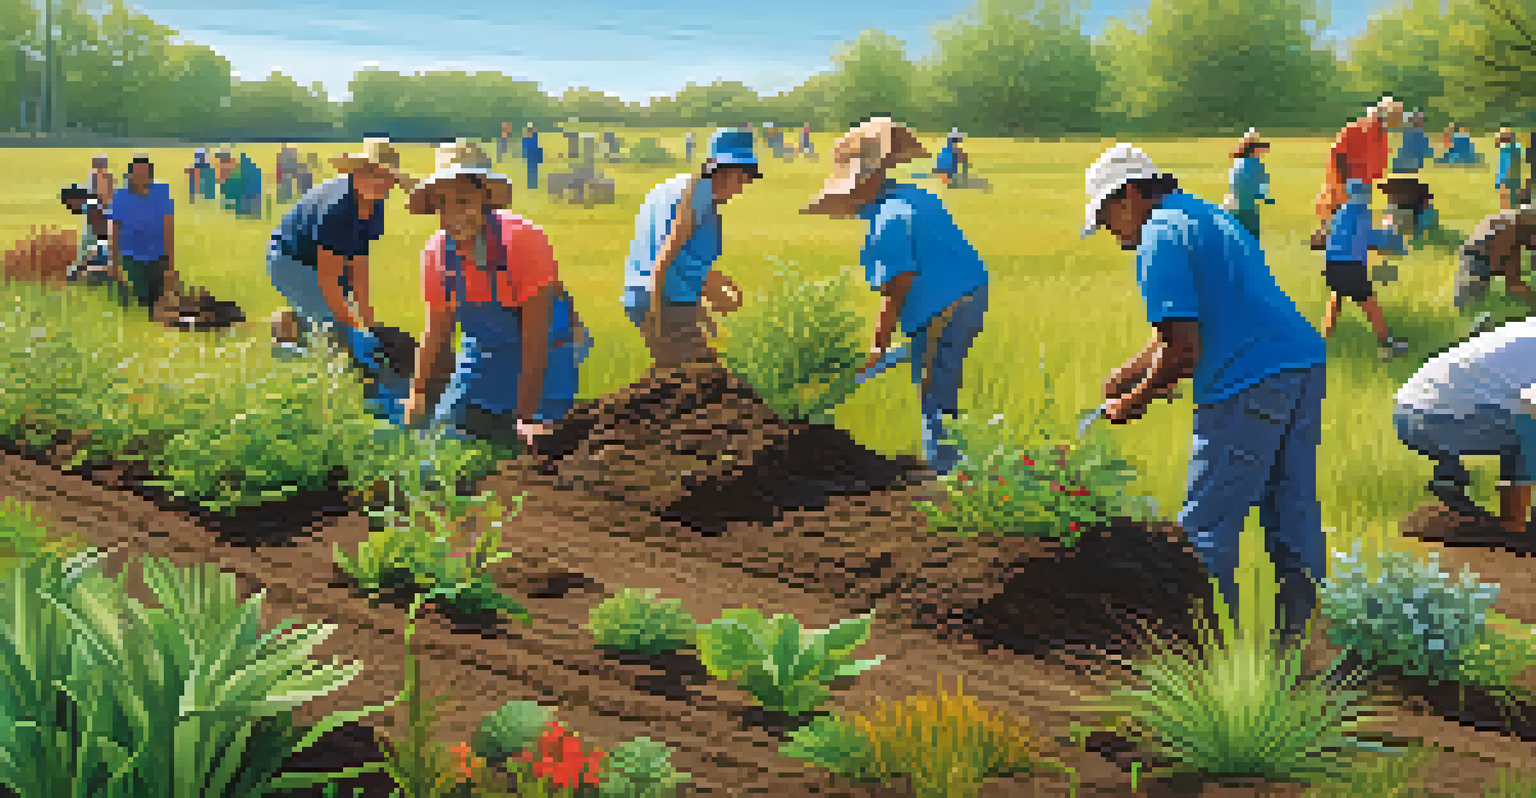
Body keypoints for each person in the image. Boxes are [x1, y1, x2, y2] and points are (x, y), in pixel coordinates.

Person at [1082, 143, 1329, 649]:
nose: (1111, 231)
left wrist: (1134, 402)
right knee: (1293, 515)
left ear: (1128, 196)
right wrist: (1132, 372)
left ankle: (1203, 660)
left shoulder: (1158, 236)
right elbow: (1183, 327)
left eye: (1107, 216)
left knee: (1207, 529)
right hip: (1301, 364)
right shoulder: (1202, 215)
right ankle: (1305, 652)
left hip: (1248, 379)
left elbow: (1182, 350)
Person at [804, 117, 989, 477]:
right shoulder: (915, 196)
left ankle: (946, 475)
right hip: (970, 296)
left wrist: (876, 347)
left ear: (866, 182)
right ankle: (951, 466)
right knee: (932, 357)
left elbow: (897, 287)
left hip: (944, 305)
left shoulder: (886, 219)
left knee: (935, 397)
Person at [400, 139, 592, 449]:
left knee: (542, 446)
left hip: (547, 350)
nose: (454, 216)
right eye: (444, 204)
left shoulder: (523, 241)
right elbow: (437, 331)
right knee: (444, 440)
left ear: (486, 200)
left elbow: (535, 338)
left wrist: (525, 417)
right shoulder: (437, 253)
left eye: (464, 202)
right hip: (482, 354)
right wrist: (418, 395)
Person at [267, 138, 414, 371]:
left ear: (393, 181)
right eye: (370, 173)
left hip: (318, 263)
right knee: (339, 341)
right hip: (289, 261)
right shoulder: (337, 208)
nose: (377, 181)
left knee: (340, 315)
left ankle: (291, 322)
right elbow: (327, 280)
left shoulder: (375, 206)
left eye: (385, 176)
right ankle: (289, 346)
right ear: (355, 173)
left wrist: (369, 323)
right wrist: (354, 329)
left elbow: (359, 263)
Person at [622, 128, 759, 369]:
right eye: (742, 177)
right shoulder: (699, 191)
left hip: (646, 295)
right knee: (704, 380)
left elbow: (675, 255)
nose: (741, 188)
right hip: (664, 299)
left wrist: (700, 315)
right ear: (725, 171)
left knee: (678, 377)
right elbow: (667, 254)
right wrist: (660, 314)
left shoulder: (671, 187)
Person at [1394, 318, 1536, 539]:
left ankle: (1449, 483)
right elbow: (1531, 406)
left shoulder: (1524, 329)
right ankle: (1514, 528)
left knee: (1510, 409)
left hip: (1406, 412)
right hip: (1437, 420)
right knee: (1529, 424)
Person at [1317, 179, 1409, 359]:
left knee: (1336, 299)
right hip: (1350, 267)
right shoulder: (1361, 214)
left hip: (1331, 265)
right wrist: (1389, 227)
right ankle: (1387, 345)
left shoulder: (1341, 212)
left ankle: (1323, 340)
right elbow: (1372, 241)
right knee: (1370, 304)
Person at [107, 155, 179, 318]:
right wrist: (113, 263)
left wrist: (171, 263)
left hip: (158, 255)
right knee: (142, 300)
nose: (140, 178)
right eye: (136, 174)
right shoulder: (119, 197)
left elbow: (168, 227)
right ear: (129, 175)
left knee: (163, 296)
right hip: (131, 256)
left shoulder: (161, 192)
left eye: (145, 174)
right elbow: (114, 231)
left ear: (150, 177)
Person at [1315, 97, 1401, 232]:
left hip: (1362, 185)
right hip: (1347, 182)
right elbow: (1338, 154)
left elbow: (1378, 164)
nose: (1398, 120)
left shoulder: (1382, 135)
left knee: (1354, 223)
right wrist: (1342, 184)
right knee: (1335, 218)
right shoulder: (1358, 129)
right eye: (1395, 115)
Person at [1456, 206, 1536, 311]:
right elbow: (1512, 282)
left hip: (1483, 261)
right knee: (1468, 308)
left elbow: (1513, 280)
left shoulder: (1515, 230)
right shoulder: (1509, 229)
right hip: (1476, 262)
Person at [1222, 128, 1273, 241]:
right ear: (1253, 150)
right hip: (1247, 210)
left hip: (1229, 208)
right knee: (1251, 243)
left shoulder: (1237, 162)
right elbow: (1260, 191)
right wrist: (1267, 198)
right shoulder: (1258, 166)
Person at [59, 185, 111, 283]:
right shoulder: (92, 208)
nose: (70, 209)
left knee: (76, 274)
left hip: (105, 258)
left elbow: (103, 243)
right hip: (101, 255)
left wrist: (84, 264)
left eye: (69, 205)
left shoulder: (93, 209)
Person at [1496, 128, 1523, 211]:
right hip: (1515, 179)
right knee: (1514, 201)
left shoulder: (1505, 149)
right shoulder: (1517, 147)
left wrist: (1499, 181)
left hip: (1506, 179)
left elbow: (1503, 166)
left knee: (1506, 202)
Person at [522, 123, 543, 190]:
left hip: (534, 156)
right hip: (530, 157)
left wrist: (539, 157)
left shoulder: (534, 137)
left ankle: (534, 184)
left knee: (534, 171)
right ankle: (531, 184)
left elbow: (538, 147)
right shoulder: (526, 139)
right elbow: (524, 148)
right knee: (530, 171)